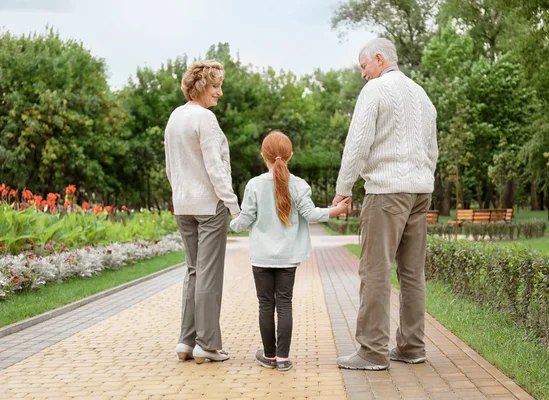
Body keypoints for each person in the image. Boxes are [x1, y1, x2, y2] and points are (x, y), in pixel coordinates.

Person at [333, 38, 439, 370]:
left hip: (386, 192)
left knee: (375, 270)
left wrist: (343, 188)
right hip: (420, 192)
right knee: (412, 273)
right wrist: (422, 179)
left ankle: (372, 351)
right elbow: (432, 150)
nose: (363, 74)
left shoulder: (376, 91)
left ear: (379, 59)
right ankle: (411, 347)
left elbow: (357, 143)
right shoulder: (422, 95)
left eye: (363, 66)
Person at [230, 130, 350, 371]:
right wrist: (335, 211)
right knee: (284, 303)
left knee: (265, 305)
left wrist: (232, 221)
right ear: (290, 156)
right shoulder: (299, 185)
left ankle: (269, 355)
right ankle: (283, 359)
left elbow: (243, 222)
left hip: (261, 258)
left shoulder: (254, 185)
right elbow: (311, 214)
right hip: (288, 257)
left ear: (262, 156)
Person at [164, 60, 240, 364]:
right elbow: (216, 168)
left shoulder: (174, 118)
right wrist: (234, 206)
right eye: (215, 86)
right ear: (200, 86)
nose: (220, 92)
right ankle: (207, 344)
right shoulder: (205, 119)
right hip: (210, 206)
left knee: (193, 272)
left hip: (183, 205)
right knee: (208, 274)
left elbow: (171, 167)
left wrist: (180, 195)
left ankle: (186, 341)